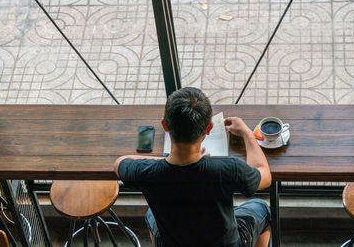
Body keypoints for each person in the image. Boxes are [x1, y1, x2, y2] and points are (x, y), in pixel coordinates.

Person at [114, 87, 272, 247]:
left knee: (150, 215)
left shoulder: (146, 172)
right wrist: (246, 133)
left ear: (164, 125)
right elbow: (265, 175)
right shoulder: (228, 169)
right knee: (261, 209)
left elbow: (120, 162)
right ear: (209, 128)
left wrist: (165, 160)